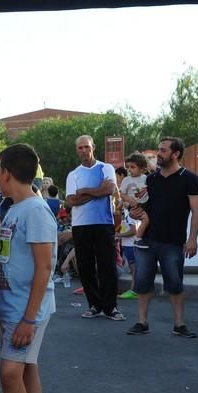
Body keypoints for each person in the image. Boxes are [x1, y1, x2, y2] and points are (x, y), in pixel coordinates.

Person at [0, 143, 56, 393]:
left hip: (26, 311)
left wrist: (29, 318)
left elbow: (44, 268)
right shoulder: (14, 208)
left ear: (6, 173)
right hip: (13, 307)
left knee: (10, 374)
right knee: (27, 371)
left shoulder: (34, 210)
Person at [127, 137, 198, 338]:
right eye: (159, 150)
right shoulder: (151, 179)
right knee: (142, 283)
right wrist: (136, 212)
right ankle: (142, 322)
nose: (158, 154)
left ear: (175, 153)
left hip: (173, 241)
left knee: (175, 284)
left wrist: (192, 239)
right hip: (147, 240)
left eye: (163, 150)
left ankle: (179, 324)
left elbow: (196, 212)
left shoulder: (191, 179)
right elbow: (145, 207)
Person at [65, 135, 124, 321]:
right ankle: (94, 304)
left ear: (93, 147)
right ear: (77, 150)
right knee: (85, 266)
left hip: (103, 223)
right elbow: (71, 200)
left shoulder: (105, 168)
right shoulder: (73, 174)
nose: (84, 150)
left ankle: (110, 307)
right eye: (80, 147)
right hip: (81, 225)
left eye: (86, 147)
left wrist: (84, 191)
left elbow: (109, 190)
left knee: (107, 265)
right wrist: (97, 190)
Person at [116, 208, 138, 300]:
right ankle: (134, 290)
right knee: (133, 268)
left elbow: (133, 231)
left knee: (134, 269)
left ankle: (134, 291)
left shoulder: (130, 216)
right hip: (128, 245)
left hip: (131, 245)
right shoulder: (126, 216)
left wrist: (118, 235)